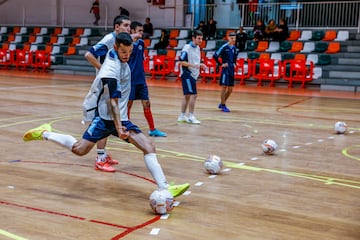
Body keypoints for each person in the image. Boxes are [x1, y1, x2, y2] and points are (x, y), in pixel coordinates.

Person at [22, 32, 190, 199]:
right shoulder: (111, 70)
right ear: (116, 47)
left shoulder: (118, 53)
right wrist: (119, 128)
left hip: (119, 117)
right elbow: (113, 102)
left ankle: (165, 187)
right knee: (80, 150)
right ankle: (45, 133)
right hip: (104, 118)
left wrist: (135, 36)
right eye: (124, 52)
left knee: (148, 146)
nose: (127, 55)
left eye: (129, 52)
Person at [84, 15, 131, 172]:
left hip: (111, 84)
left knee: (109, 121)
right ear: (116, 27)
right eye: (125, 25)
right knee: (104, 120)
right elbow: (88, 54)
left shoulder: (120, 42)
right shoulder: (108, 40)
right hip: (105, 86)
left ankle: (102, 155)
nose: (128, 29)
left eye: (129, 26)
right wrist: (101, 69)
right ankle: (100, 158)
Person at [128, 21, 167, 137]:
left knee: (147, 104)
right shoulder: (126, 43)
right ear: (132, 31)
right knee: (128, 105)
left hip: (141, 80)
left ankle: (152, 129)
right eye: (139, 31)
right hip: (129, 80)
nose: (141, 33)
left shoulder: (141, 43)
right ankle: (126, 127)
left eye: (142, 30)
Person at [177, 30, 207, 124]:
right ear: (193, 38)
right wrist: (194, 66)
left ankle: (182, 116)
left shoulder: (197, 48)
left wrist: (200, 65)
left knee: (187, 95)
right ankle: (190, 116)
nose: (200, 40)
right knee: (193, 95)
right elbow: (181, 61)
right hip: (187, 73)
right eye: (199, 38)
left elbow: (195, 62)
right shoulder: (187, 48)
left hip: (193, 74)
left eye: (201, 38)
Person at [213, 32, 237, 113]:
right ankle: (223, 105)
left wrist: (234, 64)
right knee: (224, 87)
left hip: (231, 69)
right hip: (225, 69)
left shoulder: (234, 48)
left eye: (234, 38)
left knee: (230, 89)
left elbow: (234, 57)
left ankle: (222, 103)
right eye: (231, 38)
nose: (233, 40)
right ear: (228, 38)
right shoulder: (224, 47)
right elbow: (215, 55)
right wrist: (221, 64)